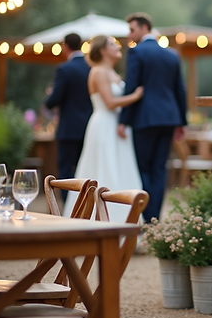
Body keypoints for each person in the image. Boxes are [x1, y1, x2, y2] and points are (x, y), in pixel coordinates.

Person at [63, 35, 144, 222]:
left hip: (116, 127)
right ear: (102, 50)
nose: (117, 47)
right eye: (112, 44)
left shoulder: (113, 72)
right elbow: (109, 102)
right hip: (104, 125)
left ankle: (124, 220)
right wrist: (136, 96)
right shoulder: (98, 71)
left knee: (120, 170)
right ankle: (102, 220)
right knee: (104, 170)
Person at [119, 12, 187, 222]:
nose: (130, 34)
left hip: (144, 118)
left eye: (132, 29)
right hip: (169, 118)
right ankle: (154, 218)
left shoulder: (136, 52)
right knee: (160, 168)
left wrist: (123, 120)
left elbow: (132, 87)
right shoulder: (172, 54)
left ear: (144, 28)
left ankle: (147, 218)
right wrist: (182, 122)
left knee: (144, 168)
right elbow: (180, 91)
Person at [44, 33, 93, 197]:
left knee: (66, 171)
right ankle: (83, 204)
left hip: (68, 128)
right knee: (84, 169)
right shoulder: (91, 68)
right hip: (89, 128)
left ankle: (68, 208)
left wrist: (49, 98)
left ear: (65, 46)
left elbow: (55, 99)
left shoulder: (64, 68)